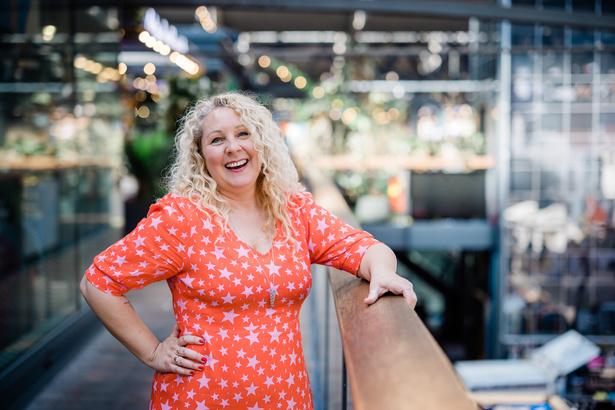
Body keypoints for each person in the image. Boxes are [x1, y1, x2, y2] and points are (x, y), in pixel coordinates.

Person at [80, 92, 417, 410]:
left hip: (286, 397)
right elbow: (98, 282)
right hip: (200, 399)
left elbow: (365, 248)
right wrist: (153, 352)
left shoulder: (294, 212)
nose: (233, 147)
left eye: (243, 134)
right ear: (201, 156)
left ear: (262, 143)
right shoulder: (182, 219)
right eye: (217, 140)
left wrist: (382, 273)